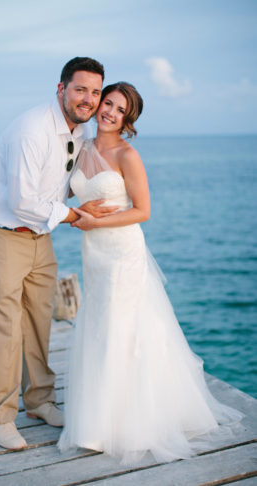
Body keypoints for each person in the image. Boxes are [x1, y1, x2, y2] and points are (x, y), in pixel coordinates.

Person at [58, 82, 243, 464]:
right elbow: (68, 198)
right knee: (97, 326)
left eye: (119, 109)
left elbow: (143, 211)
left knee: (122, 329)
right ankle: (95, 423)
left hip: (122, 251)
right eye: (106, 102)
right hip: (93, 254)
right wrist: (78, 216)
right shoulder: (81, 148)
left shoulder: (128, 154)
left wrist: (93, 224)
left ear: (128, 119)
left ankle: (130, 424)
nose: (109, 111)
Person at [0, 57, 117, 451]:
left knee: (39, 324)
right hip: (1, 237)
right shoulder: (31, 130)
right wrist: (74, 215)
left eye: (95, 91)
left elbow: (63, 183)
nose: (88, 99)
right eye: (80, 89)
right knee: (4, 329)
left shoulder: (80, 131)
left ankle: (39, 402)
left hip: (40, 238)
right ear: (61, 89)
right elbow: (22, 201)